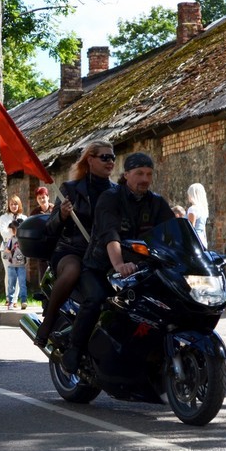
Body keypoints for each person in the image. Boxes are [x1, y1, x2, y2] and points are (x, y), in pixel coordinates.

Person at [61, 152, 175, 374]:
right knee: (95, 299)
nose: (145, 178)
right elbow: (110, 235)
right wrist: (120, 265)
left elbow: (175, 232)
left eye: (149, 174)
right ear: (127, 175)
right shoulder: (111, 198)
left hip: (140, 270)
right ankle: (73, 351)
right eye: (139, 173)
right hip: (100, 267)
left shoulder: (156, 202)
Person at [35, 141, 117, 347]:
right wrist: (62, 215)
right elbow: (50, 229)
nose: (111, 161)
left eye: (113, 157)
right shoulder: (70, 189)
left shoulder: (117, 192)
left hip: (103, 254)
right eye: (105, 157)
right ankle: (49, 321)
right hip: (72, 250)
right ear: (90, 160)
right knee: (72, 270)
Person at [0, 195, 27, 308]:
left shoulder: (24, 218)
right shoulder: (4, 217)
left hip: (20, 248)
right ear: (9, 206)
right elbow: (3, 233)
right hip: (7, 247)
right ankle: (8, 298)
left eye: (16, 204)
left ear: (19, 205)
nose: (14, 206)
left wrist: (11, 229)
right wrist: (15, 230)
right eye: (11, 204)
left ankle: (14, 300)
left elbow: (25, 232)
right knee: (9, 273)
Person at [29, 186, 55, 285]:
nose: (42, 200)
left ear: (48, 197)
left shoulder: (55, 209)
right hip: (42, 246)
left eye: (43, 197)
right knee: (44, 271)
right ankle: (45, 295)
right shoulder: (34, 213)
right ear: (37, 200)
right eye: (39, 198)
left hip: (55, 244)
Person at [3, 220, 27, 309]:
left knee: (22, 283)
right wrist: (9, 253)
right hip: (12, 266)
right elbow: (5, 253)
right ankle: (11, 302)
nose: (11, 232)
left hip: (21, 265)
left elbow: (26, 251)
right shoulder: (10, 240)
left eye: (12, 230)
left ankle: (24, 301)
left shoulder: (23, 240)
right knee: (11, 284)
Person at [186, 183, 209, 248]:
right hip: (202, 241)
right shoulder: (203, 210)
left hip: (194, 242)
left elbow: (190, 229)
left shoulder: (192, 209)